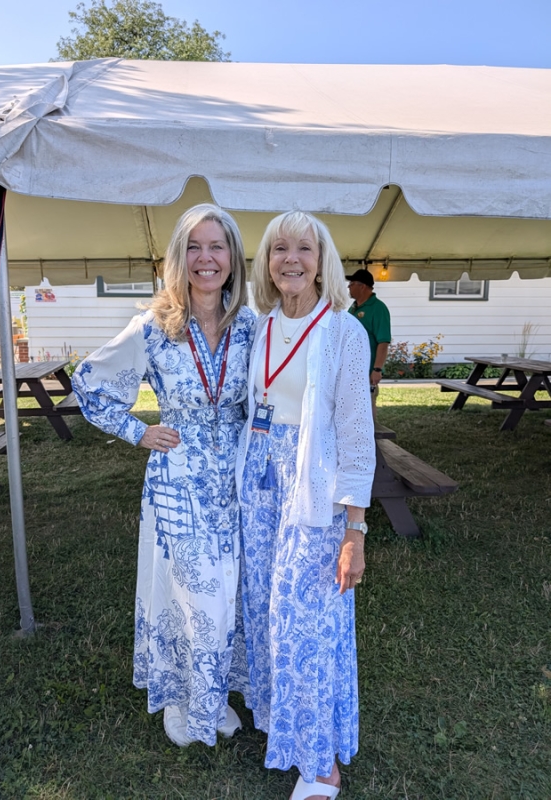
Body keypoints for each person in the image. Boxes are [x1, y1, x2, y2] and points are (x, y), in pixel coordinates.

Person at [72, 203, 255, 748]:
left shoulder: (251, 325)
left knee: (229, 588)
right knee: (184, 590)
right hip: (179, 477)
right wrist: (138, 432)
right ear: (179, 257)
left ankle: (214, 693)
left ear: (232, 257)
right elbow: (89, 382)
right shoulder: (153, 327)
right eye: (194, 247)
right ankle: (179, 694)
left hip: (238, 477)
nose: (206, 258)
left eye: (217, 246)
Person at [236, 212, 376, 799]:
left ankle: (322, 766)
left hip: (312, 489)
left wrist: (355, 531)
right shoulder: (261, 325)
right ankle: (284, 727)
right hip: (260, 484)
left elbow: (356, 435)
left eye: (304, 248)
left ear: (323, 261)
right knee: (267, 612)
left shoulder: (344, 331)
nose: (290, 258)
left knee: (308, 622)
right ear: (267, 261)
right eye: (279, 248)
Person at [347, 269, 391, 412]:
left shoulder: (378, 308)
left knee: (365, 409)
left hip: (366, 370)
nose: (348, 287)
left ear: (362, 286)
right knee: (351, 409)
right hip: (350, 369)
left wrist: (377, 369)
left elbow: (383, 342)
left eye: (352, 284)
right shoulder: (353, 308)